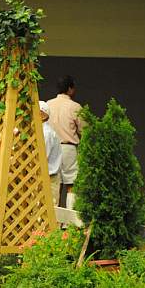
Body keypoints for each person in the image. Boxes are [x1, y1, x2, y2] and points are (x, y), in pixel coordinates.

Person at [47, 75, 83, 207]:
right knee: (71, 184)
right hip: (68, 148)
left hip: (51, 148)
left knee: (55, 184)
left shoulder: (48, 105)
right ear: (70, 89)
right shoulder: (75, 107)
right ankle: (69, 223)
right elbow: (84, 129)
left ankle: (53, 220)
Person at [39, 101, 62, 206]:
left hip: (49, 178)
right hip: (44, 177)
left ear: (42, 115)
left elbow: (43, 156)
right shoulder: (41, 131)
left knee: (51, 210)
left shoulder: (46, 133)